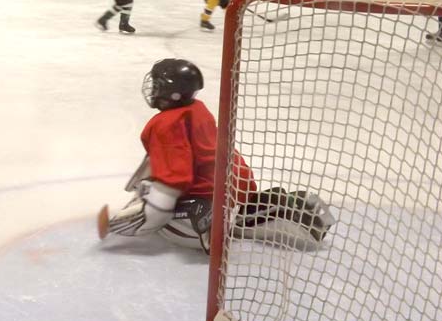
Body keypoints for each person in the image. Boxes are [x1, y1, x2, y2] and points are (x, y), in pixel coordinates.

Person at [97, 59, 335, 253]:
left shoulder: (165, 125)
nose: (153, 89)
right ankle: (262, 207)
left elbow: (173, 181)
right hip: (238, 181)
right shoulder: (197, 108)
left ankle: (208, 217)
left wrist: (117, 225)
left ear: (172, 94)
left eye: (158, 85)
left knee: (162, 217)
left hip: (211, 194)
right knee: (156, 189)